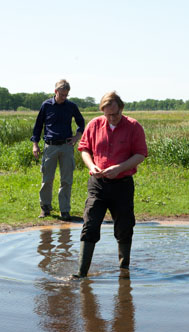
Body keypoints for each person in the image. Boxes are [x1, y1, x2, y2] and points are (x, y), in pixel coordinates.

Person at [74, 91, 148, 278]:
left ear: (121, 108)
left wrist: (120, 168)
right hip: (98, 185)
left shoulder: (133, 126)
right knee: (90, 225)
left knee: (124, 227)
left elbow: (140, 154)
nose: (111, 118)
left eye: (115, 114)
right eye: (107, 115)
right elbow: (84, 149)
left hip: (122, 185)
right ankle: (81, 273)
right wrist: (92, 166)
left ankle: (124, 271)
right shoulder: (94, 125)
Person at [31, 79, 85, 220]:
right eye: (62, 95)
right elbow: (38, 126)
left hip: (66, 147)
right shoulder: (46, 105)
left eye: (66, 95)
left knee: (66, 180)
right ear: (55, 92)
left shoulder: (71, 106)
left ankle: (65, 210)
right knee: (47, 179)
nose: (64, 97)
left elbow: (81, 123)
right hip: (50, 146)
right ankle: (46, 208)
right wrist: (35, 144)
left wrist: (76, 138)